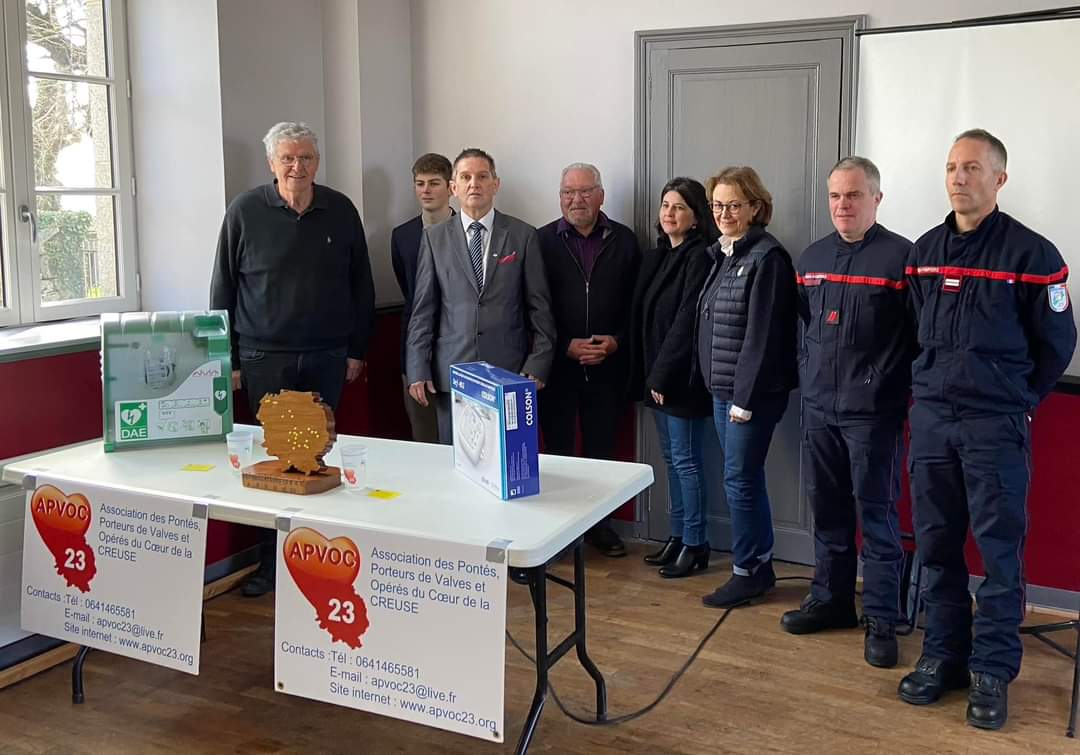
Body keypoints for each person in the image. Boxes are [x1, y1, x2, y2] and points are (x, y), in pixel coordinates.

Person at [898, 129, 1076, 730]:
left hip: (993, 425)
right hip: (931, 424)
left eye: (972, 168)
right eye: (951, 167)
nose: (958, 178)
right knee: (936, 543)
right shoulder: (922, 251)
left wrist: (1017, 400)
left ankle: (993, 670)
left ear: (999, 179)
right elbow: (912, 330)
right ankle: (943, 655)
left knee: (1000, 553)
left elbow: (1057, 344)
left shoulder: (1033, 255)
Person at [210, 121, 375, 597]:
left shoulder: (340, 210)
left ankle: (321, 555)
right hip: (264, 357)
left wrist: (357, 349)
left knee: (319, 460)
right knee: (270, 464)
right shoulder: (244, 211)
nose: (297, 167)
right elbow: (223, 287)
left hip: (327, 354)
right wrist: (231, 361)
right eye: (287, 158)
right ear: (271, 163)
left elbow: (361, 284)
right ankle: (270, 563)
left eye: (305, 158)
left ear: (316, 163)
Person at [780, 156, 916, 669]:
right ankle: (832, 600)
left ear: (876, 199)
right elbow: (802, 326)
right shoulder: (811, 257)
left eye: (854, 195)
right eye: (836, 195)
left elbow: (919, 338)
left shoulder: (902, 259)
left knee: (876, 516)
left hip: (873, 414)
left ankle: (881, 617)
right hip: (818, 408)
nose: (843, 205)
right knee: (829, 510)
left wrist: (885, 383)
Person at [697, 166, 797, 608]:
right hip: (724, 389)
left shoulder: (768, 258)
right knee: (742, 478)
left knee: (739, 480)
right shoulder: (727, 253)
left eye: (734, 204)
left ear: (755, 207)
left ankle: (748, 571)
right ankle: (759, 567)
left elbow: (764, 335)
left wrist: (744, 400)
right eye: (717, 205)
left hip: (749, 395)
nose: (724, 212)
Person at [406, 148, 555, 443]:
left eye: (482, 176)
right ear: (454, 187)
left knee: (506, 462)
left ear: (495, 184)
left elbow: (540, 307)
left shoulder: (523, 235)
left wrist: (538, 364)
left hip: (509, 373)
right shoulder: (434, 238)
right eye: (466, 177)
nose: (474, 184)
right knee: (458, 463)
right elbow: (422, 310)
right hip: (451, 373)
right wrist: (417, 368)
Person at [537, 163, 640, 558]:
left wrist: (615, 342)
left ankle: (601, 528)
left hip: (608, 367)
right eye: (567, 192)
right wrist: (564, 345)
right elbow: (533, 305)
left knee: (602, 452)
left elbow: (638, 307)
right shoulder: (541, 241)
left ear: (601, 195)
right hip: (557, 367)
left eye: (584, 192)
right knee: (558, 451)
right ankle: (561, 533)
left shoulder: (625, 240)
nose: (575, 200)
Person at [628, 177, 715, 578]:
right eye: (665, 205)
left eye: (679, 207)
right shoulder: (659, 255)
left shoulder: (700, 257)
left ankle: (695, 543)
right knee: (672, 461)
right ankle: (678, 535)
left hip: (680, 380)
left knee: (686, 462)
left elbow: (685, 323)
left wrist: (661, 375)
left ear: (696, 216)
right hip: (656, 378)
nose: (669, 213)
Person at [391, 153, 454, 443]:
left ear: (451, 187)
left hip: (458, 342)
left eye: (433, 183)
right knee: (424, 433)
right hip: (415, 345)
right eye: (419, 183)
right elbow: (410, 289)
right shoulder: (402, 235)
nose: (426, 190)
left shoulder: (468, 230)